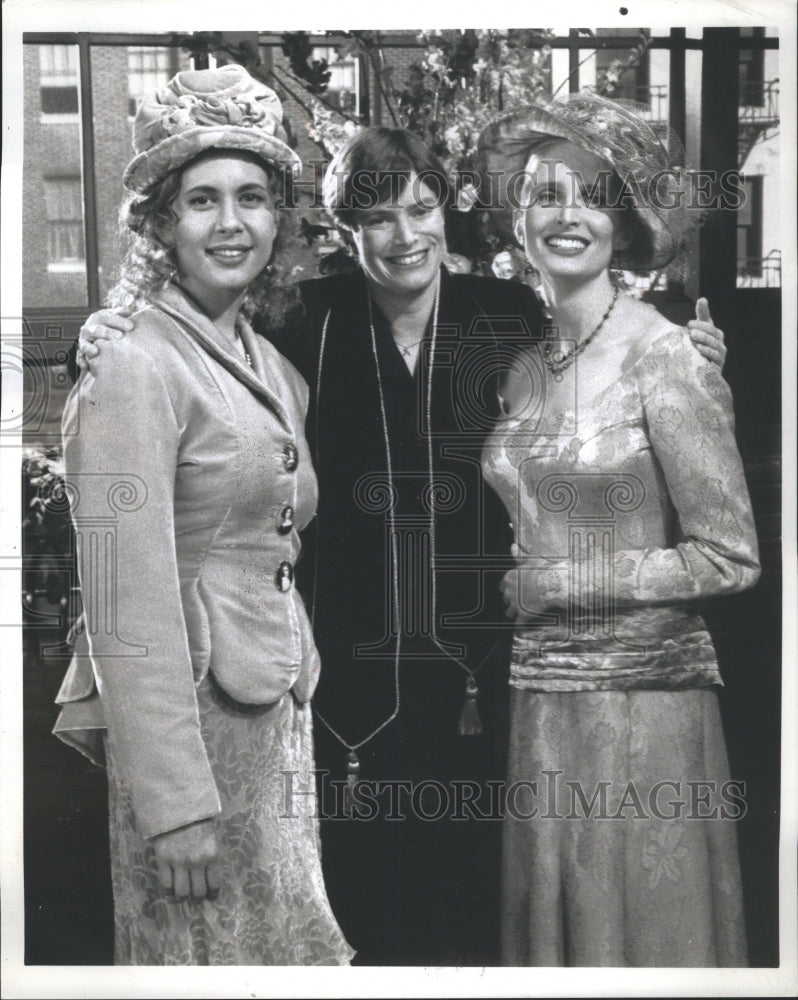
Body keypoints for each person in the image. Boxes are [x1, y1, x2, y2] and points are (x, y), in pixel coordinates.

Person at [75, 123, 727, 966]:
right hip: (338, 672)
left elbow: (605, 374)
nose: (405, 235)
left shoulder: (510, 316)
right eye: (377, 216)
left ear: (447, 215)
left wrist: (685, 349)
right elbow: (193, 359)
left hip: (484, 663)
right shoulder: (299, 321)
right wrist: (104, 333)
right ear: (345, 228)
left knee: (482, 900)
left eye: (422, 209)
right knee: (349, 907)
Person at [52, 65, 353, 966]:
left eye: (254, 198)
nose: (232, 224)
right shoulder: (134, 364)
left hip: (269, 723)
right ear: (158, 223)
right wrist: (174, 801)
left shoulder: (264, 357)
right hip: (190, 737)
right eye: (202, 201)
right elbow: (124, 601)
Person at [477, 93, 760, 966]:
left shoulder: (666, 354)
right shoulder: (525, 367)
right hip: (541, 703)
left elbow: (730, 556)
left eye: (593, 196)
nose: (567, 216)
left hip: (645, 710)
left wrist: (567, 583)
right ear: (517, 215)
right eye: (545, 193)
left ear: (625, 222)